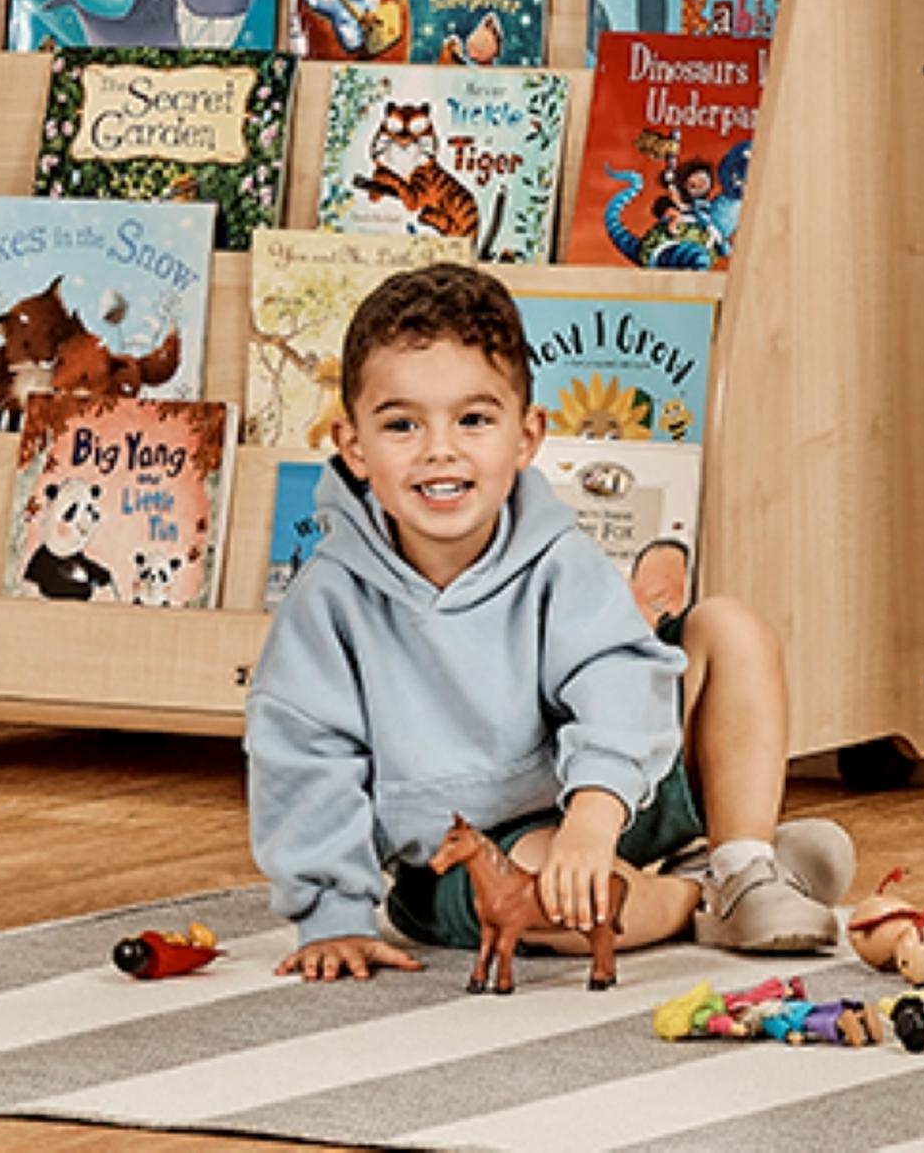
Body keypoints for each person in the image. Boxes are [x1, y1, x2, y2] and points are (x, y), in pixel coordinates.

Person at [249, 261, 850, 980]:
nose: (440, 449)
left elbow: (617, 676)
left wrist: (595, 816)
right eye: (402, 424)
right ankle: (703, 893)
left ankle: (747, 861)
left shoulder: (558, 557)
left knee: (731, 627)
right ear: (353, 446)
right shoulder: (330, 601)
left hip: (604, 794)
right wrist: (332, 916)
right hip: (472, 844)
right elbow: (303, 754)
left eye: (473, 419)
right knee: (572, 911)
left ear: (528, 434)